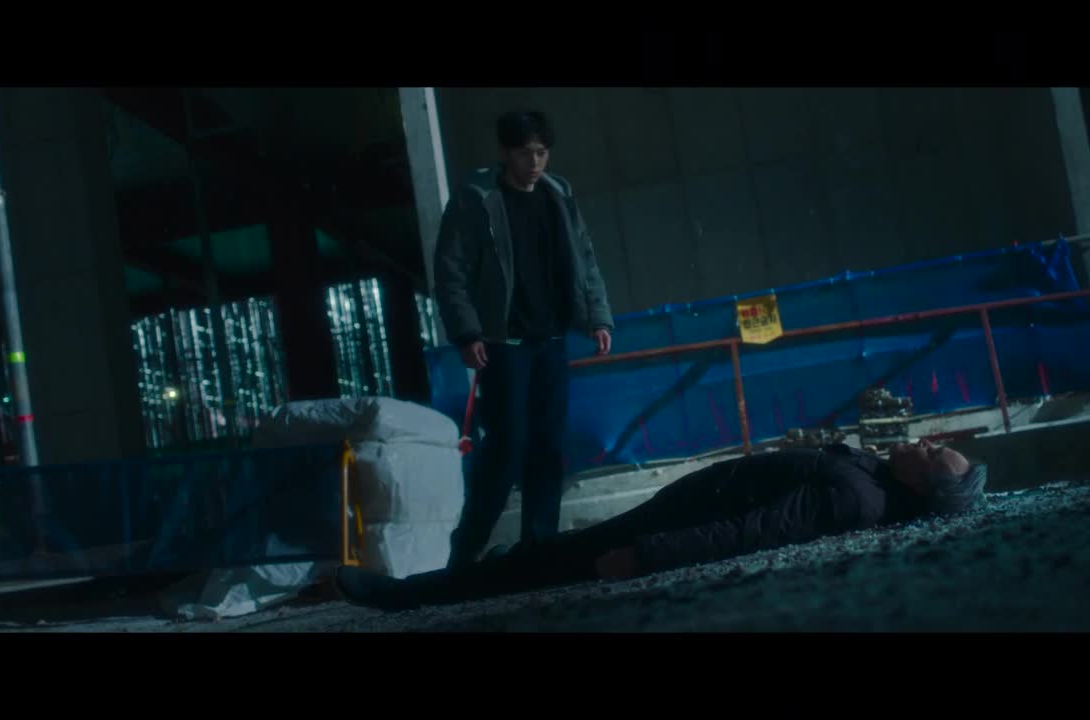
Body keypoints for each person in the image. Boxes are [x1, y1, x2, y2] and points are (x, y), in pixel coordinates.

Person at [336, 440, 988, 611]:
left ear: (920, 486)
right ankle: (463, 577)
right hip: (683, 507)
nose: (926, 440)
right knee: (544, 556)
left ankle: (402, 596)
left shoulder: (857, 499)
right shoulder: (872, 476)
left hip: (681, 523)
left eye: (932, 453)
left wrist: (647, 554)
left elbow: (754, 532)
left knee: (544, 561)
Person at [433, 110, 615, 568]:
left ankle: (539, 548)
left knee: (548, 445)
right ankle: (466, 551)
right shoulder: (477, 198)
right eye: (524, 153)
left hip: (550, 338)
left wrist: (597, 317)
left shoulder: (558, 193)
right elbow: (451, 270)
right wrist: (467, 331)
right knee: (506, 447)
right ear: (505, 153)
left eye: (541, 153)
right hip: (504, 344)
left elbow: (584, 256)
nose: (534, 163)